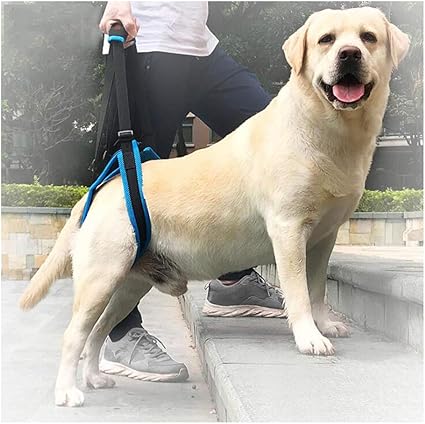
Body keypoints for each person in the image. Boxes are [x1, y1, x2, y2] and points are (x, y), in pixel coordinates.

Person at [98, 0, 285, 383]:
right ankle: (118, 331)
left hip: (200, 45)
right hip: (149, 41)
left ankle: (232, 278)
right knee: (134, 187)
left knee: (274, 133)